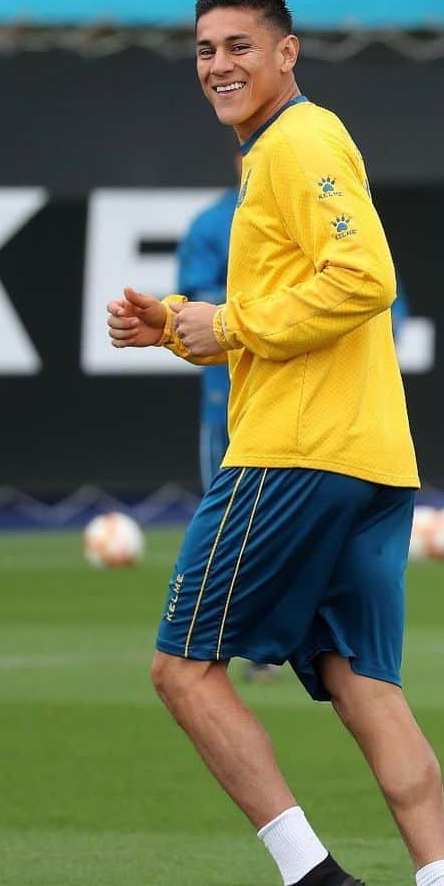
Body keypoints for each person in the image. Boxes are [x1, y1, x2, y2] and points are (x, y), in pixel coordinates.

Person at [106, 0, 444, 886]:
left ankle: (309, 878)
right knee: (365, 683)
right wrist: (187, 322)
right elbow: (296, 301)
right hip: (366, 455)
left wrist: (225, 325)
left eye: (239, 45)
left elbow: (365, 279)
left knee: (181, 670)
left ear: (288, 53)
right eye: (204, 50)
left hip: (297, 455)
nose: (219, 64)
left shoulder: (300, 143)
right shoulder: (279, 152)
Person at [178, 161, 279, 685]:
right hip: (231, 397)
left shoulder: (313, 210)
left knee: (278, 526)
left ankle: (268, 639)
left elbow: (378, 298)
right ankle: (222, 637)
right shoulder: (213, 224)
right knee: (227, 523)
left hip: (302, 405)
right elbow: (194, 308)